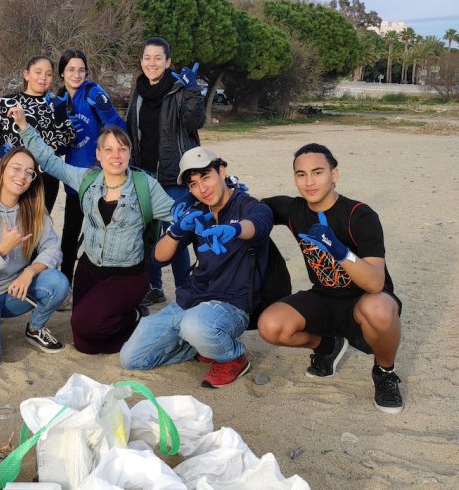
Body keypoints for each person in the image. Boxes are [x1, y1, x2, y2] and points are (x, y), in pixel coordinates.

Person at [10, 104, 175, 354]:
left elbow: (178, 213)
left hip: (127, 275)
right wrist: (23, 126)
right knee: (84, 342)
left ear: (130, 153)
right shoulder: (87, 179)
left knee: (86, 323)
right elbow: (50, 162)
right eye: (108, 149)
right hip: (89, 269)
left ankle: (134, 318)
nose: (115, 155)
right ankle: (131, 317)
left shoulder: (145, 186)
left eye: (122, 149)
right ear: (98, 154)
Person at [258, 144, 404, 413]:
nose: (309, 182)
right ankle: (328, 346)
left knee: (380, 309)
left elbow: (374, 282)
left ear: (334, 174)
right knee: (270, 325)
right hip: (324, 296)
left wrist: (338, 249)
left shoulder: (360, 215)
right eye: (301, 174)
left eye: (317, 172)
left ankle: (385, 372)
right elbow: (252, 209)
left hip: (365, 299)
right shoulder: (294, 210)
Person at [120, 147, 272, 388]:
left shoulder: (249, 206)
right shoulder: (197, 211)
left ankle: (233, 357)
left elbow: (260, 223)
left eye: (206, 177)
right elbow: (159, 257)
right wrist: (177, 229)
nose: (201, 188)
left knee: (195, 325)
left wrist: (234, 230)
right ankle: (202, 345)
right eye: (193, 184)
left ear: (222, 172)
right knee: (132, 359)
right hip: (191, 300)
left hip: (231, 305)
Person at [0, 148, 69, 369]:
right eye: (16, 168)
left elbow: (53, 248)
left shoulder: (33, 209)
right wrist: (1, 250)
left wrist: (30, 272)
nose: (22, 176)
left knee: (58, 282)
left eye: (29, 172)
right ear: (2, 170)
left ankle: (35, 329)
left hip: (15, 290)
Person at [126, 37, 205, 307]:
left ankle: (184, 288)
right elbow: (131, 130)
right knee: (148, 234)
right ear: (141, 61)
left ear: (168, 62)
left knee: (177, 233)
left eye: (158, 58)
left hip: (175, 176)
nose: (152, 63)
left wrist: (194, 91)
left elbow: (196, 121)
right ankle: (154, 286)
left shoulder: (179, 89)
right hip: (143, 173)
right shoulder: (138, 90)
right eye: (147, 57)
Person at [50, 50, 127, 308]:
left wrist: (107, 152)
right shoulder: (59, 99)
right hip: (74, 181)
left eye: (81, 70)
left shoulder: (93, 93)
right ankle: (64, 288)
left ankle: (101, 286)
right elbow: (60, 148)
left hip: (99, 179)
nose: (76, 74)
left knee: (100, 232)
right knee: (70, 234)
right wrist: (63, 128)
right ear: (62, 72)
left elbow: (117, 127)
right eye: (71, 69)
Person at [0, 55, 75, 213]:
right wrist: (0, 151)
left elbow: (66, 143)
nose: (43, 78)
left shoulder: (57, 105)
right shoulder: (5, 103)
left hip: (46, 178)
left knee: (39, 227)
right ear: (26, 74)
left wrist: (60, 116)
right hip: (13, 175)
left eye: (48, 74)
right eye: (38, 72)